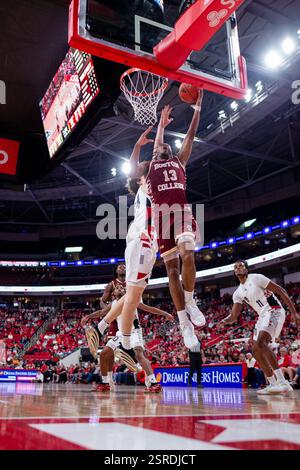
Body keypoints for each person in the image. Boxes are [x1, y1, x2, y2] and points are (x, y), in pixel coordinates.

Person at [137, 97, 206, 349]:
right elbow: (156, 143)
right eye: (159, 146)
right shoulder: (153, 165)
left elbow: (190, 134)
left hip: (182, 212)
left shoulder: (180, 161)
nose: (162, 146)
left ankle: (190, 300)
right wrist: (160, 128)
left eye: (166, 145)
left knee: (189, 255)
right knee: (172, 271)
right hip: (162, 217)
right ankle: (183, 323)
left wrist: (197, 108)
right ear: (154, 154)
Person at [223, 260, 300, 395]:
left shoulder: (257, 278)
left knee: (261, 343)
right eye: (235, 267)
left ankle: (283, 382)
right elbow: (234, 316)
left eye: (241, 266)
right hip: (262, 315)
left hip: (274, 310)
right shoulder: (238, 292)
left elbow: (281, 290)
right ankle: (272, 383)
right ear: (234, 272)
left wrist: (294, 313)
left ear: (246, 269)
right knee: (255, 349)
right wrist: (225, 321)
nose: (238, 268)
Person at [81, 296, 173, 393]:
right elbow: (101, 312)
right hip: (120, 333)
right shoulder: (113, 303)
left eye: (121, 287)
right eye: (117, 287)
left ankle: (154, 383)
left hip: (134, 332)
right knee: (104, 354)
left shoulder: (131, 298)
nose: (120, 288)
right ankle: (105, 383)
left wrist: (165, 313)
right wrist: (88, 316)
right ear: (113, 294)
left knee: (139, 355)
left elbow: (148, 308)